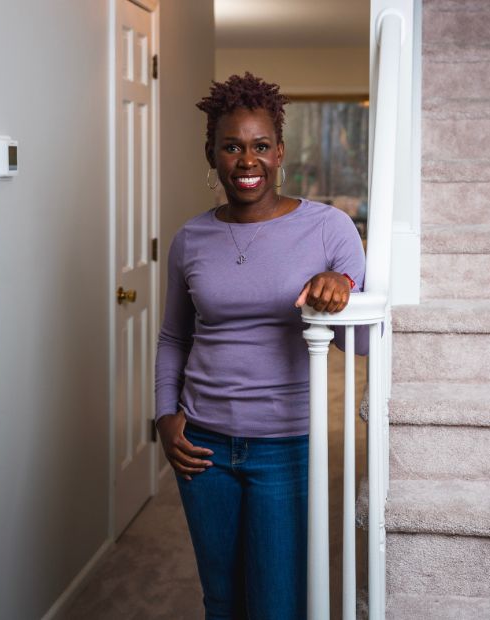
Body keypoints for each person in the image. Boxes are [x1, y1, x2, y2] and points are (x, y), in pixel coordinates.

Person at [155, 72, 368, 620]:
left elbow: (364, 342)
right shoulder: (190, 239)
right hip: (201, 445)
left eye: (259, 146)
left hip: (285, 444)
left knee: (277, 602)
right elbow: (175, 336)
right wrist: (163, 416)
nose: (246, 161)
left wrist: (342, 289)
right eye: (232, 147)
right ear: (213, 155)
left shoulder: (330, 229)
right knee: (221, 600)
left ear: (279, 151)